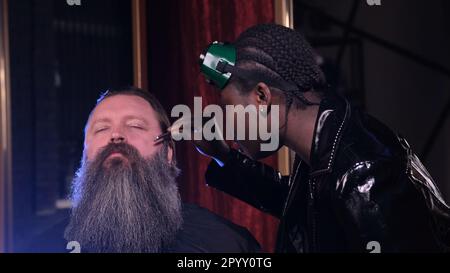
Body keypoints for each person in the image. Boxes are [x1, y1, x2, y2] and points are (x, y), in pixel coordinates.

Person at [195, 23, 450, 252]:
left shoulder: (361, 173)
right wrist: (223, 156)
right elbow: (306, 208)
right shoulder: (326, 144)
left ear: (262, 97)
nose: (226, 123)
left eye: (229, 109)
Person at [28, 87, 260, 253]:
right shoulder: (40, 246)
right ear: (84, 155)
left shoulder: (224, 244)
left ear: (168, 153)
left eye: (135, 125)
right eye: (101, 129)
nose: (115, 134)